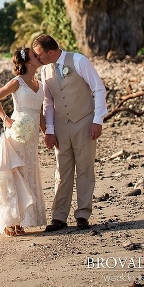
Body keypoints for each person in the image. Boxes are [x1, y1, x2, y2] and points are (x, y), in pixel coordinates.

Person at [31, 34, 107, 231]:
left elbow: (98, 89)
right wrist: (49, 130)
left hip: (84, 121)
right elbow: (48, 102)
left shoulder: (79, 61)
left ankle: (82, 215)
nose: (37, 59)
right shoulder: (45, 71)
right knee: (62, 172)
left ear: (51, 52)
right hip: (60, 125)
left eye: (39, 55)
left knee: (85, 169)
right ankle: (59, 217)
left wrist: (97, 120)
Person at [0, 47, 48, 236]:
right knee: (14, 175)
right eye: (35, 55)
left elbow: (40, 113)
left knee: (28, 173)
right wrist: (5, 119)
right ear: (27, 62)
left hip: (32, 138)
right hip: (16, 135)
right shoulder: (17, 82)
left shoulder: (40, 84)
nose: (39, 57)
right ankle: (11, 222)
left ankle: (22, 221)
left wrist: (46, 133)